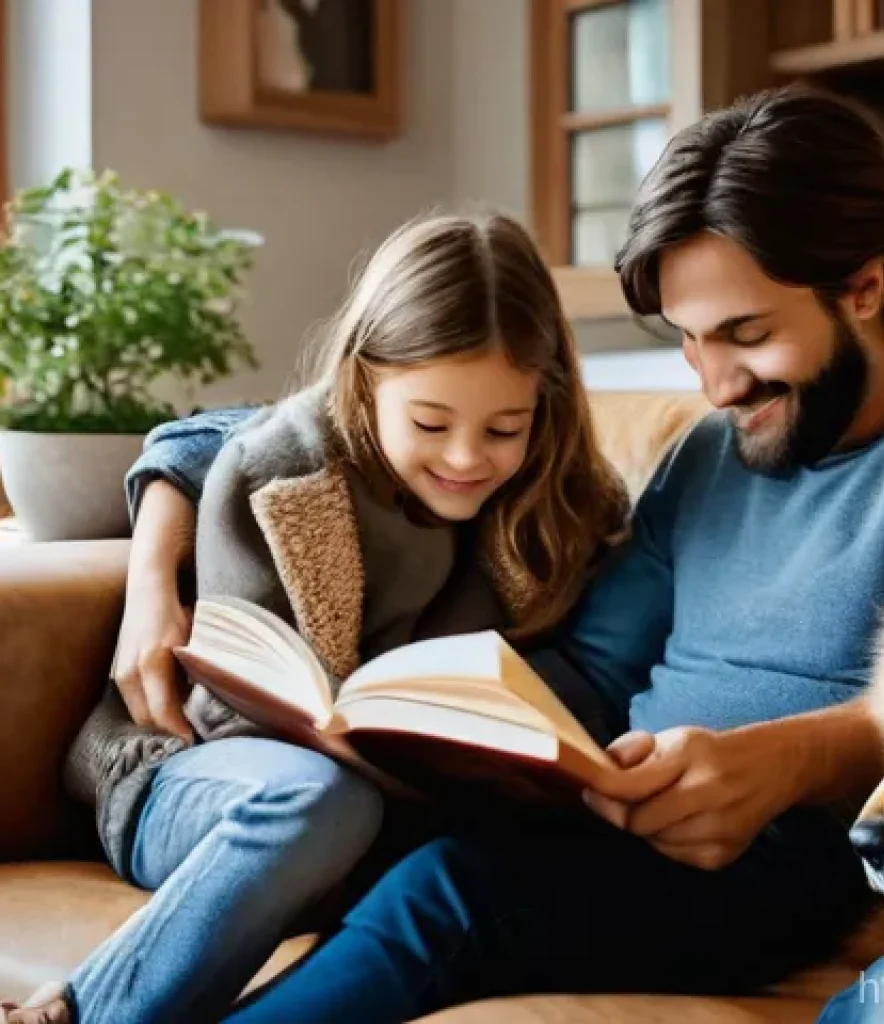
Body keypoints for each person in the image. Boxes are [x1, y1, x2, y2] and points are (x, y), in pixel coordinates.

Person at [15, 84, 884, 1024]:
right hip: (624, 828)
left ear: (862, 286)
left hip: (802, 861)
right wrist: (437, 729)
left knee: (446, 894)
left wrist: (784, 760)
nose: (714, 383)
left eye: (745, 334)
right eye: (685, 340)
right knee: (417, 864)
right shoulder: (711, 454)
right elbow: (592, 667)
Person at [3, 211, 628, 1024]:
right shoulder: (283, 473)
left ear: (542, 406)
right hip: (200, 775)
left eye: (504, 428)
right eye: (431, 424)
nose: (467, 457)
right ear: (365, 382)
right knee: (325, 799)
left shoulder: (565, 509)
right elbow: (231, 710)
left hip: (393, 817)